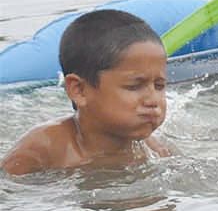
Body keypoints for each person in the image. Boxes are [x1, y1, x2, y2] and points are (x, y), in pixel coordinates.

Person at [3, 10, 173, 175]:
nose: (153, 101)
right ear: (79, 90)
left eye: (159, 86)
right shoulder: (43, 149)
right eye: (134, 86)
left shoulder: (155, 151)